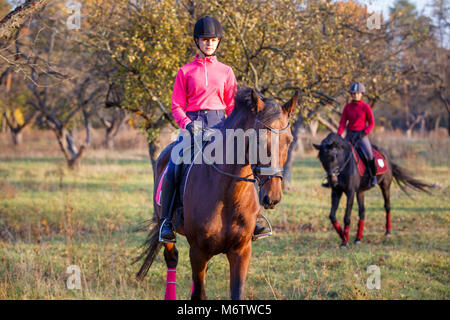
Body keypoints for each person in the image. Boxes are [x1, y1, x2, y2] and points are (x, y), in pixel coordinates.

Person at [159, 16, 269, 243]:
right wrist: (188, 125)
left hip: (222, 125)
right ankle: (167, 222)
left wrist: (234, 127)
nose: (209, 43)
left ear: (218, 42)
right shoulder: (185, 71)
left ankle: (254, 218)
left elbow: (232, 105)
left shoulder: (227, 71)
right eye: (205, 39)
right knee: (174, 164)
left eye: (213, 39)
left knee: (246, 161)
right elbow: (176, 105)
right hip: (193, 125)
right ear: (197, 41)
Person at [322, 82, 377, 188]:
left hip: (362, 136)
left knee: (369, 155)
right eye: (353, 93)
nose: (355, 95)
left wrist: (364, 133)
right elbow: (343, 122)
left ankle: (373, 177)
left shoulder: (366, 107)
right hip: (349, 135)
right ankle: (333, 179)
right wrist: (338, 135)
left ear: (361, 94)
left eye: (357, 93)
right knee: (336, 154)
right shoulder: (347, 107)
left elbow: (372, 123)